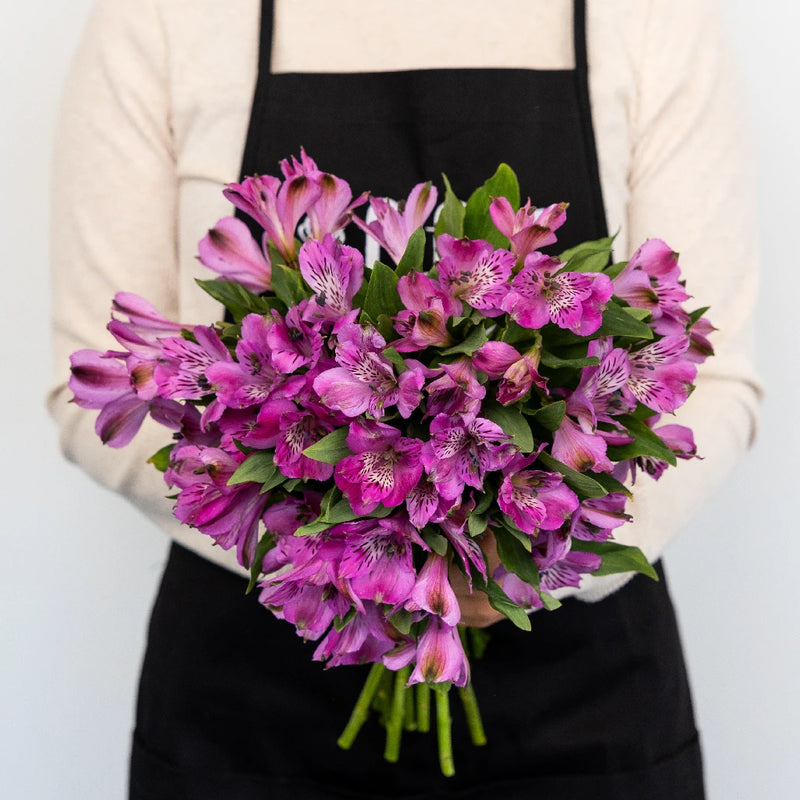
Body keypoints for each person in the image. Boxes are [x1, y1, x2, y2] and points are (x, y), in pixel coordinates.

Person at [48, 0, 761, 797]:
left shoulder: (652, 15)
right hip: (252, 715)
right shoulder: (160, 16)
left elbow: (712, 374)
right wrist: (331, 557)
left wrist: (524, 562)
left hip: (583, 711)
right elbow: (91, 386)